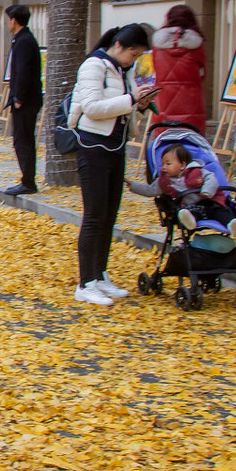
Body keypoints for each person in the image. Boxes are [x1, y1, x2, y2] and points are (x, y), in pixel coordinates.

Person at [68, 23, 156, 306]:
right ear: (120, 46)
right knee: (94, 215)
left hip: (116, 145)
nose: (135, 60)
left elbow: (122, 105)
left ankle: (99, 274)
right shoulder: (94, 66)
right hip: (93, 146)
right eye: (134, 53)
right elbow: (92, 107)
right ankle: (85, 283)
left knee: (109, 214)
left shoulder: (122, 70)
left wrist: (140, 104)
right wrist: (131, 99)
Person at [125, 144, 236, 238]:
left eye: (168, 164)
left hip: (211, 202)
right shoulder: (165, 181)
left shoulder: (197, 171)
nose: (164, 167)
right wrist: (133, 186)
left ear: (182, 165)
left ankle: (232, 224)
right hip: (191, 207)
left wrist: (207, 190)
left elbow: (211, 178)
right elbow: (150, 190)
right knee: (188, 211)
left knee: (221, 211)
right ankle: (190, 221)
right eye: (163, 164)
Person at [4, 4, 44, 196]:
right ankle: (27, 179)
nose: (7, 23)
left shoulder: (24, 41)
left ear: (14, 20)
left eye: (8, 19)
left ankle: (28, 181)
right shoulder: (21, 39)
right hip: (25, 99)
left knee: (23, 140)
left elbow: (24, 71)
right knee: (21, 139)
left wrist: (19, 97)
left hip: (26, 101)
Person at [150, 4, 207, 132]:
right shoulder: (196, 44)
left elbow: (155, 69)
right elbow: (202, 73)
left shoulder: (158, 44)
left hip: (163, 99)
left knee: (164, 140)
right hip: (191, 101)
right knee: (191, 141)